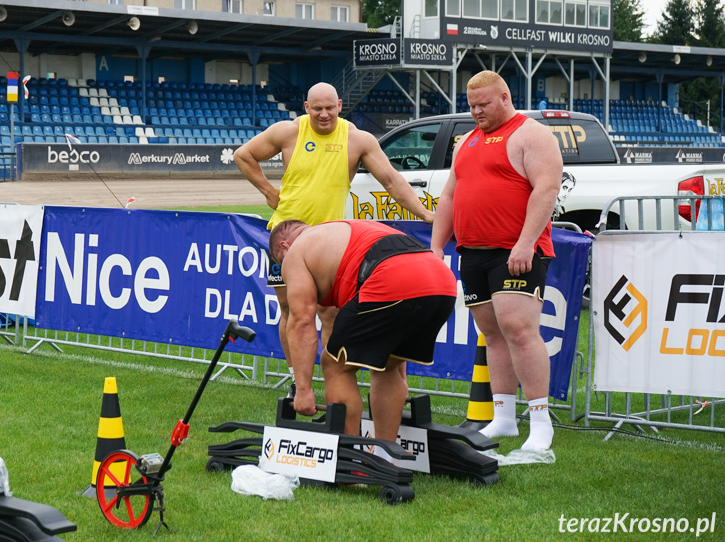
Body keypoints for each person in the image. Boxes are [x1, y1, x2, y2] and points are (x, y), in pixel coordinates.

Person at [234, 82, 433, 398]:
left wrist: (425, 214)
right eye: (317, 109)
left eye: (329, 108)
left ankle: (332, 382)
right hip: (286, 241)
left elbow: (393, 181)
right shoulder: (288, 132)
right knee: (292, 312)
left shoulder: (357, 140)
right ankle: (296, 381)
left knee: (330, 314)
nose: (324, 114)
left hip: (331, 244)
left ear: (340, 105)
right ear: (306, 107)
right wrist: (269, 192)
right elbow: (243, 155)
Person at [431, 70, 563, 451]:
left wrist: (525, 244)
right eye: (471, 106)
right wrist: (437, 246)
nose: (476, 112)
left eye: (483, 104)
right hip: (473, 252)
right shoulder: (468, 141)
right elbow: (450, 197)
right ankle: (503, 418)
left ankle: (540, 423)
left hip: (516, 250)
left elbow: (546, 188)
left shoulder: (532, 134)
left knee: (519, 330)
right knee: (492, 335)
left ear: (505, 97)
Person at [269, 218, 456, 453]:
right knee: (385, 365)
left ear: (284, 247)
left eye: (280, 261)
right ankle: (386, 458)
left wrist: (303, 390)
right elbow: (388, 329)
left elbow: (302, 321)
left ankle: (351, 461)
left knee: (334, 364)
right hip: (441, 282)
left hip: (391, 277)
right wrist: (401, 378)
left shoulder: (296, 252)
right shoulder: (344, 230)